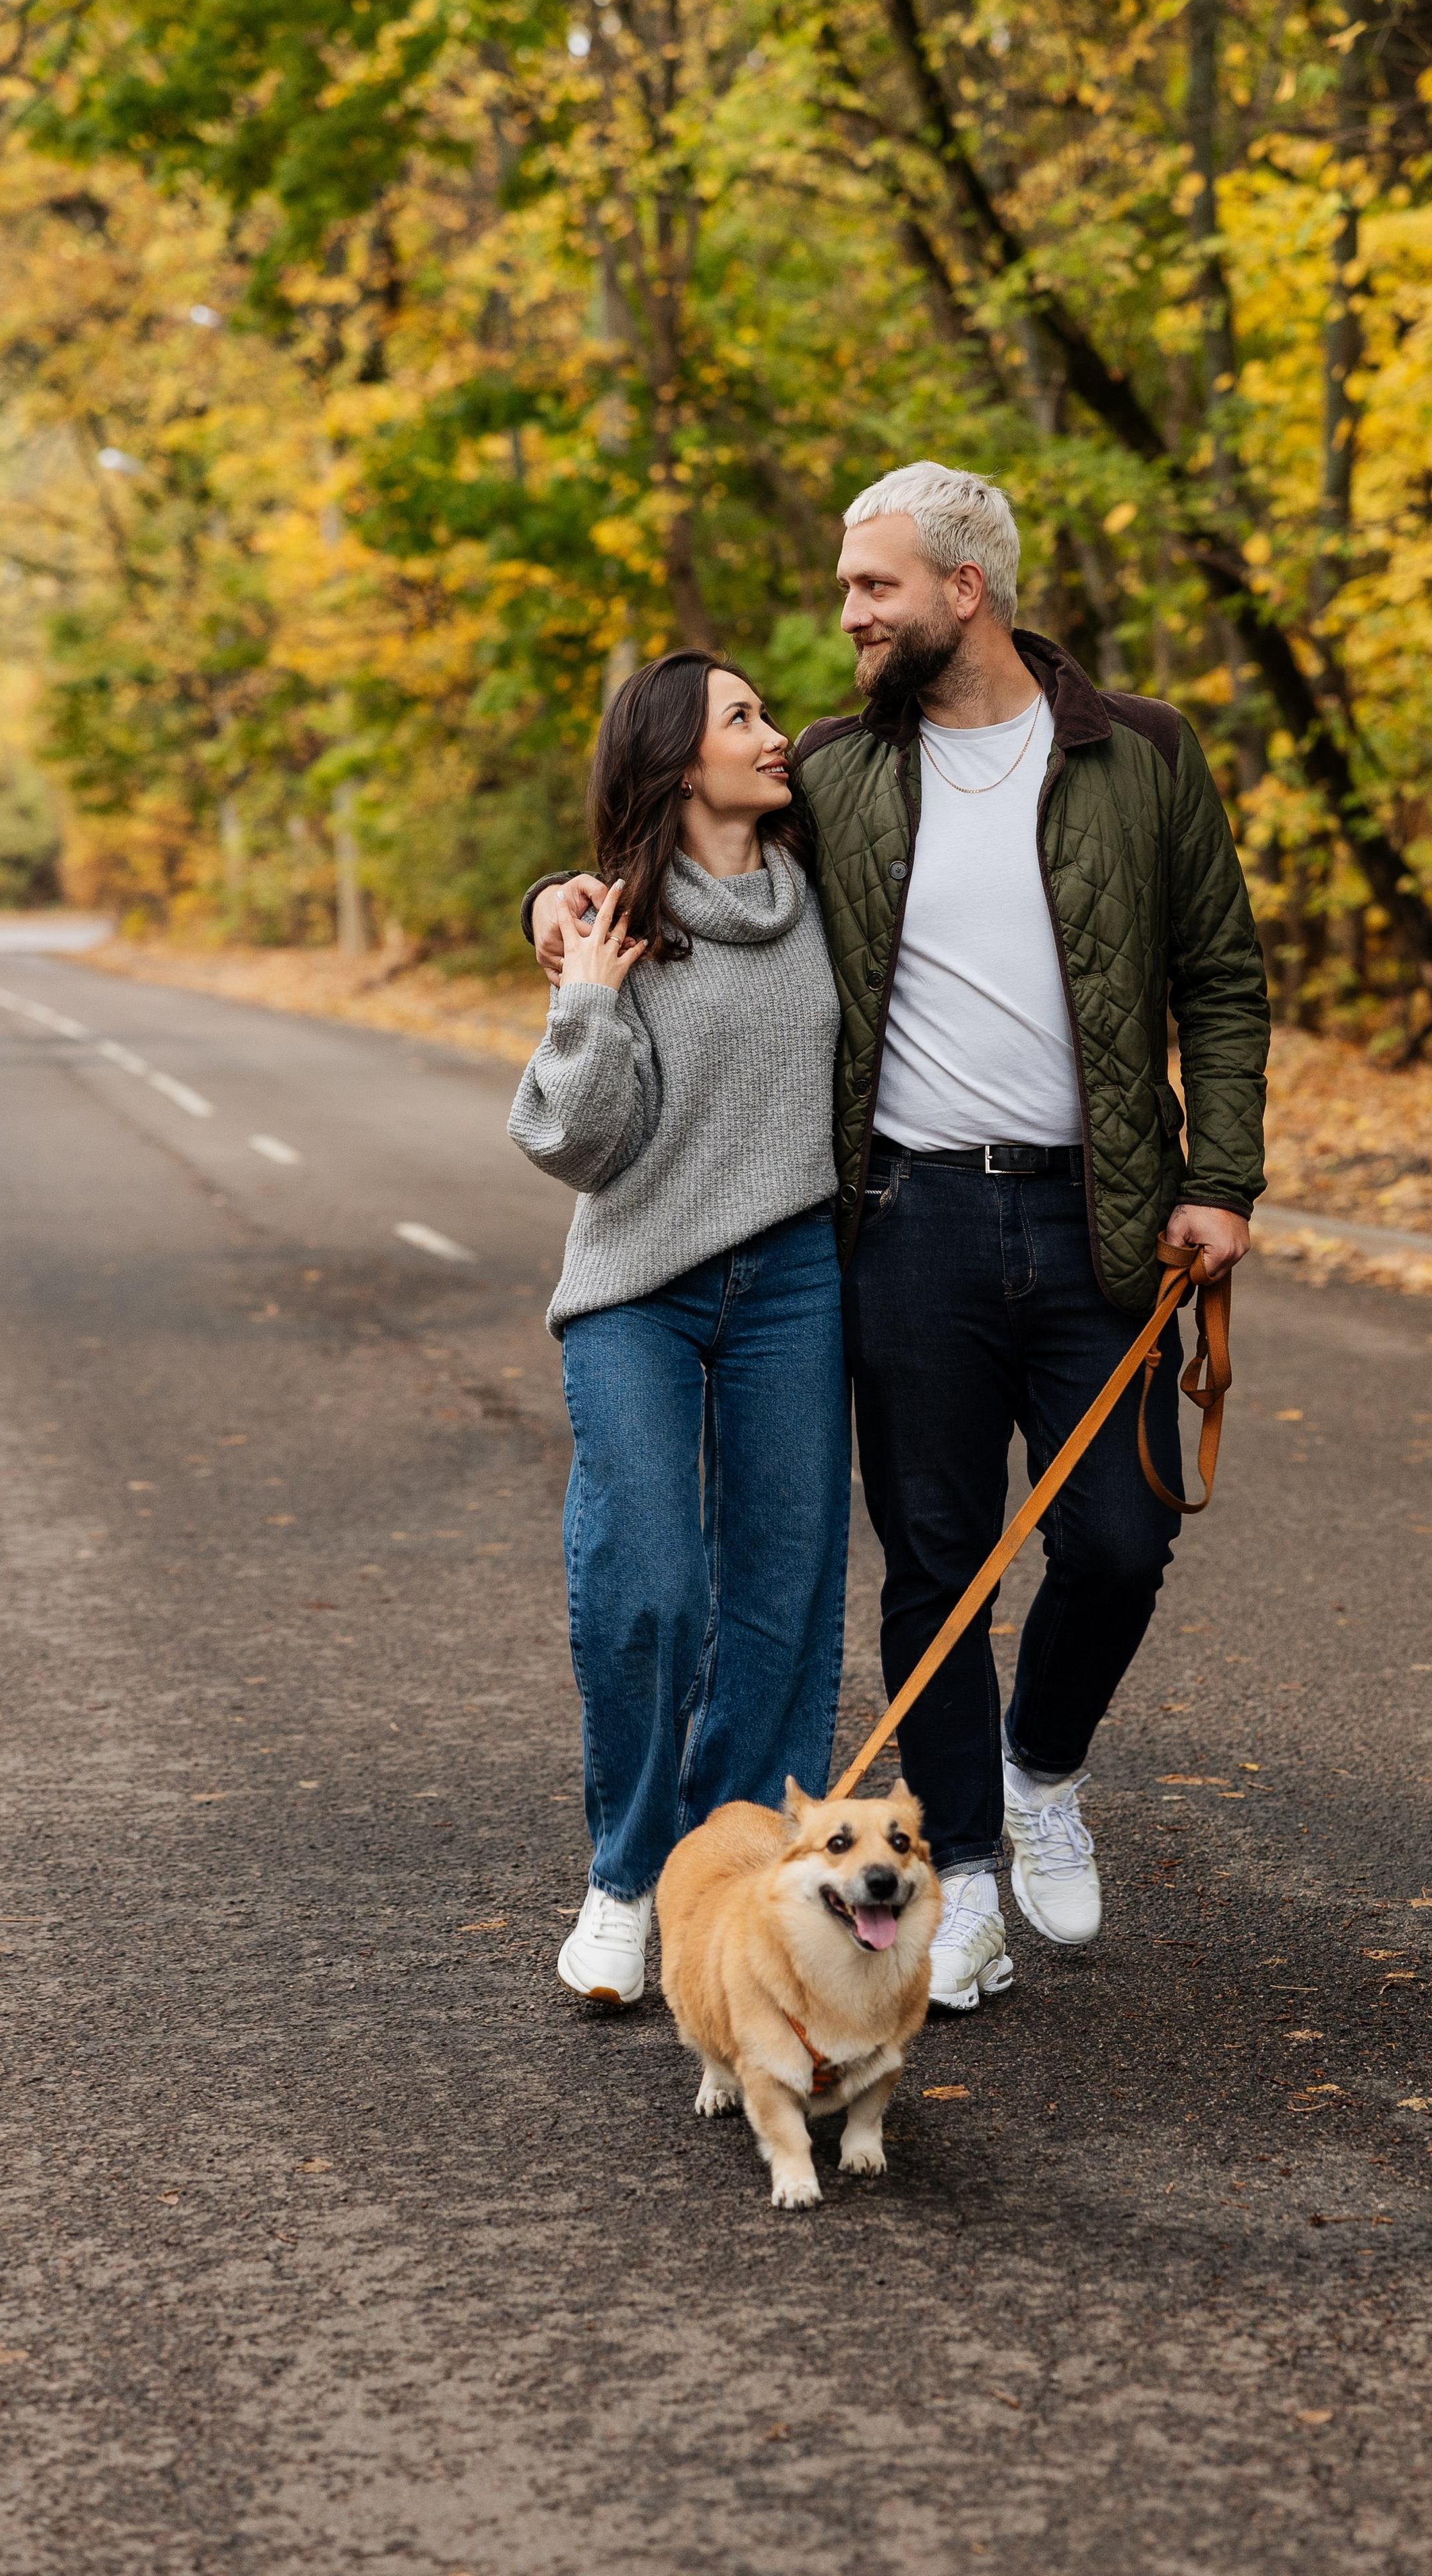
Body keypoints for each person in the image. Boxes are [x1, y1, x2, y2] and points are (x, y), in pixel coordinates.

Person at [525, 462, 1268, 2016]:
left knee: (1116, 1539)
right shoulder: (837, 767)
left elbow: (1219, 973)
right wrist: (552, 901)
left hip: (1099, 1215)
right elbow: (655, 828)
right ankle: (960, 1880)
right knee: (923, 1566)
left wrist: (1226, 1176)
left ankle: (1040, 1769)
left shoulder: (1136, 754)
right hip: (903, 1218)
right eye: (849, 589)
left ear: (961, 589)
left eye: (872, 588)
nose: (846, 614)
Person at [508, 651, 849, 2008]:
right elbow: (571, 1147)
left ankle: (736, 1878)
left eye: (765, 714)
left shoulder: (830, 893)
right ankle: (625, 1874)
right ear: (673, 759)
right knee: (648, 1579)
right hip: (635, 1286)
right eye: (742, 719)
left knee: (782, 1590)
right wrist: (583, 991)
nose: (773, 736)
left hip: (794, 1279)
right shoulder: (615, 920)